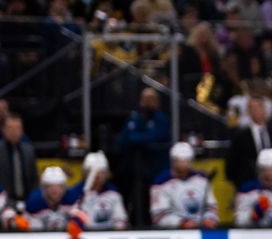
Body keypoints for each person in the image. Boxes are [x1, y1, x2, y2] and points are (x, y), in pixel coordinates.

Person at [117, 88, 172, 227]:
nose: (147, 102)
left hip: (156, 173)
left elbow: (154, 137)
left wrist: (136, 139)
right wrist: (141, 140)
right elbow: (122, 141)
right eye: (144, 98)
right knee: (136, 206)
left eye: (151, 99)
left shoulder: (161, 119)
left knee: (155, 206)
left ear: (157, 102)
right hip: (136, 173)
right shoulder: (134, 118)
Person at [150, 142, 219, 229]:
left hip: (202, 230)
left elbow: (211, 206)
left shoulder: (202, 179)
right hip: (175, 234)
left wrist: (210, 218)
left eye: (187, 160)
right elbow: (158, 215)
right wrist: (181, 222)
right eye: (180, 161)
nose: (184, 165)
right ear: (173, 161)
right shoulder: (161, 182)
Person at [64, 152, 129, 231]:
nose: (97, 176)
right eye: (92, 172)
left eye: (101, 172)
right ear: (85, 173)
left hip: (110, 234)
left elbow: (121, 219)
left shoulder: (113, 192)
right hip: (85, 235)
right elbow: (72, 220)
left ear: (106, 173)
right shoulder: (75, 193)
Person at [0, 113, 37, 203]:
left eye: (17, 128)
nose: (14, 132)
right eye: (10, 128)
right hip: (1, 202)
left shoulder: (29, 151)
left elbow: (34, 179)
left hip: (26, 201)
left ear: (22, 130)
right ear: (3, 129)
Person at [227, 96, 272, 188]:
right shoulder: (240, 135)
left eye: (259, 107)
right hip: (248, 186)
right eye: (252, 108)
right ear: (249, 112)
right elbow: (232, 163)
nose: (257, 111)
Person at [235, 148, 272, 227]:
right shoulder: (247, 190)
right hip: (255, 236)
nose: (269, 174)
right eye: (264, 170)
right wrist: (255, 214)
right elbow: (239, 221)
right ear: (259, 171)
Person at [22, 166, 78, 232]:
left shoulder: (70, 199)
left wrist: (76, 222)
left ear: (64, 187)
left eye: (59, 186)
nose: (55, 190)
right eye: (50, 186)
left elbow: (81, 217)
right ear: (44, 188)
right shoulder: (34, 202)